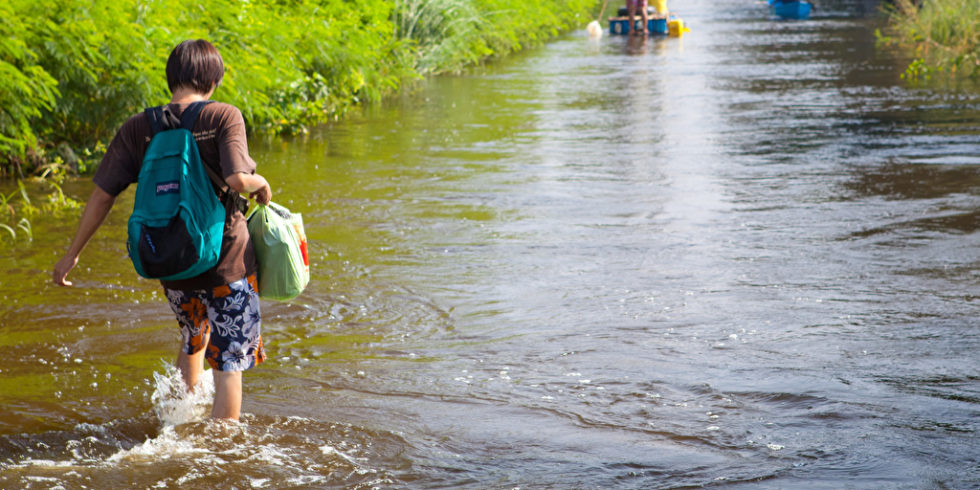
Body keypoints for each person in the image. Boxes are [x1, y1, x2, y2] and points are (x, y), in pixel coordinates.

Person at [52, 39, 272, 421]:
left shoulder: (140, 126)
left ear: (172, 78)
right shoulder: (223, 116)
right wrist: (262, 184)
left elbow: (102, 195)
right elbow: (238, 179)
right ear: (214, 79)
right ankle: (220, 457)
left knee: (193, 337)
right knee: (229, 365)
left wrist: (72, 254)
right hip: (227, 263)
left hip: (172, 262)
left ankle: (181, 416)